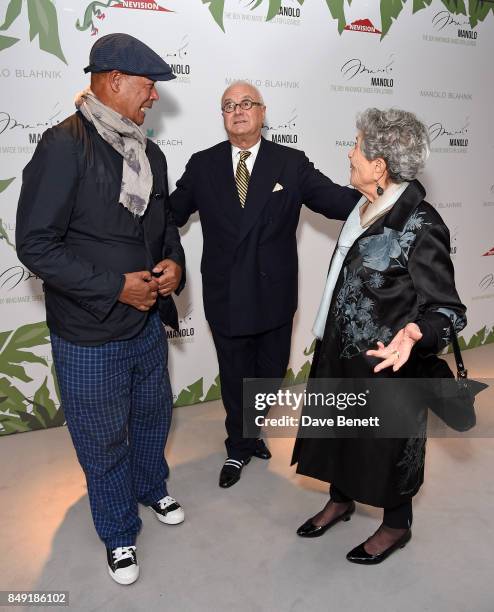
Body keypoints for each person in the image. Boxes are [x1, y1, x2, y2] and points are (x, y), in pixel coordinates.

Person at [16, 33, 186, 585]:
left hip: (146, 324)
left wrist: (173, 266)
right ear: (113, 81)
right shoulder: (64, 145)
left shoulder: (150, 152)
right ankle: (117, 531)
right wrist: (116, 286)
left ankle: (150, 489)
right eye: (148, 85)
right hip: (88, 330)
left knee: (154, 415)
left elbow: (163, 230)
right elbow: (36, 245)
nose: (154, 97)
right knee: (102, 435)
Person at [292, 107, 466, 564]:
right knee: (337, 434)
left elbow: (448, 309)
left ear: (379, 165)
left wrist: (414, 333)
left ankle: (395, 526)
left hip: (387, 365)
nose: (349, 153)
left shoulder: (420, 224)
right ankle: (341, 499)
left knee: (387, 448)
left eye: (356, 147)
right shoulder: (363, 207)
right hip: (340, 353)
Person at [169, 81, 360, 488]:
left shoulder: (290, 163)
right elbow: (171, 215)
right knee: (236, 376)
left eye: (246, 103)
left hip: (274, 293)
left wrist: (386, 195)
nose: (237, 111)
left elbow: (334, 200)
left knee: (270, 376)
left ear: (262, 111)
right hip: (226, 293)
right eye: (228, 106)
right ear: (222, 116)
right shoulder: (203, 164)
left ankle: (252, 432)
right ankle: (238, 447)